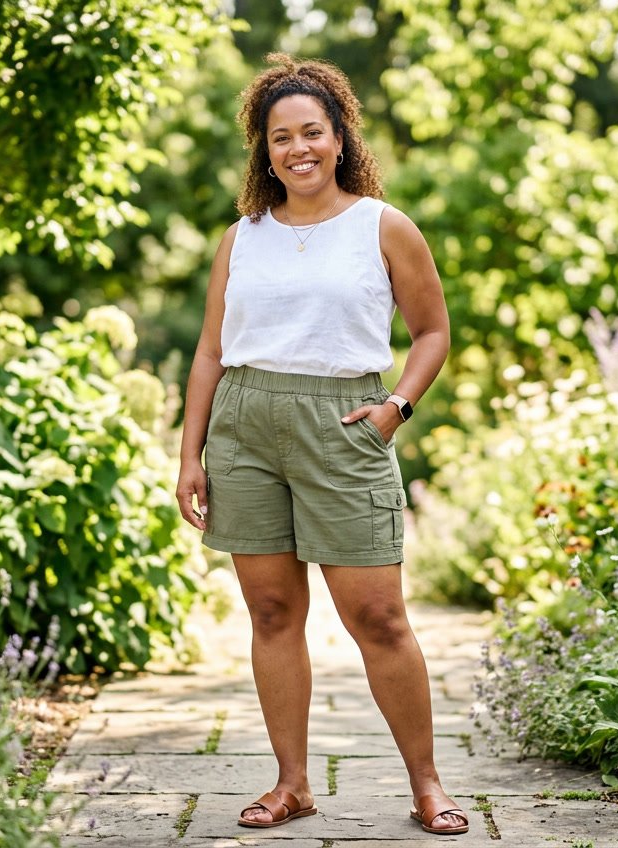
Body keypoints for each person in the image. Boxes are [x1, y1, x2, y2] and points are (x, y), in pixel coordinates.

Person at [175, 53, 465, 836]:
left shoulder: (383, 225)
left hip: (345, 424)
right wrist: (189, 453)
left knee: (378, 618)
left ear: (339, 138)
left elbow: (433, 332)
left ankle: (428, 784)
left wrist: (395, 409)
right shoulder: (244, 236)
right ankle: (293, 785)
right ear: (263, 150)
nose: (297, 149)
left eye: (312, 132)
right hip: (245, 423)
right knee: (271, 610)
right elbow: (210, 349)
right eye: (280, 138)